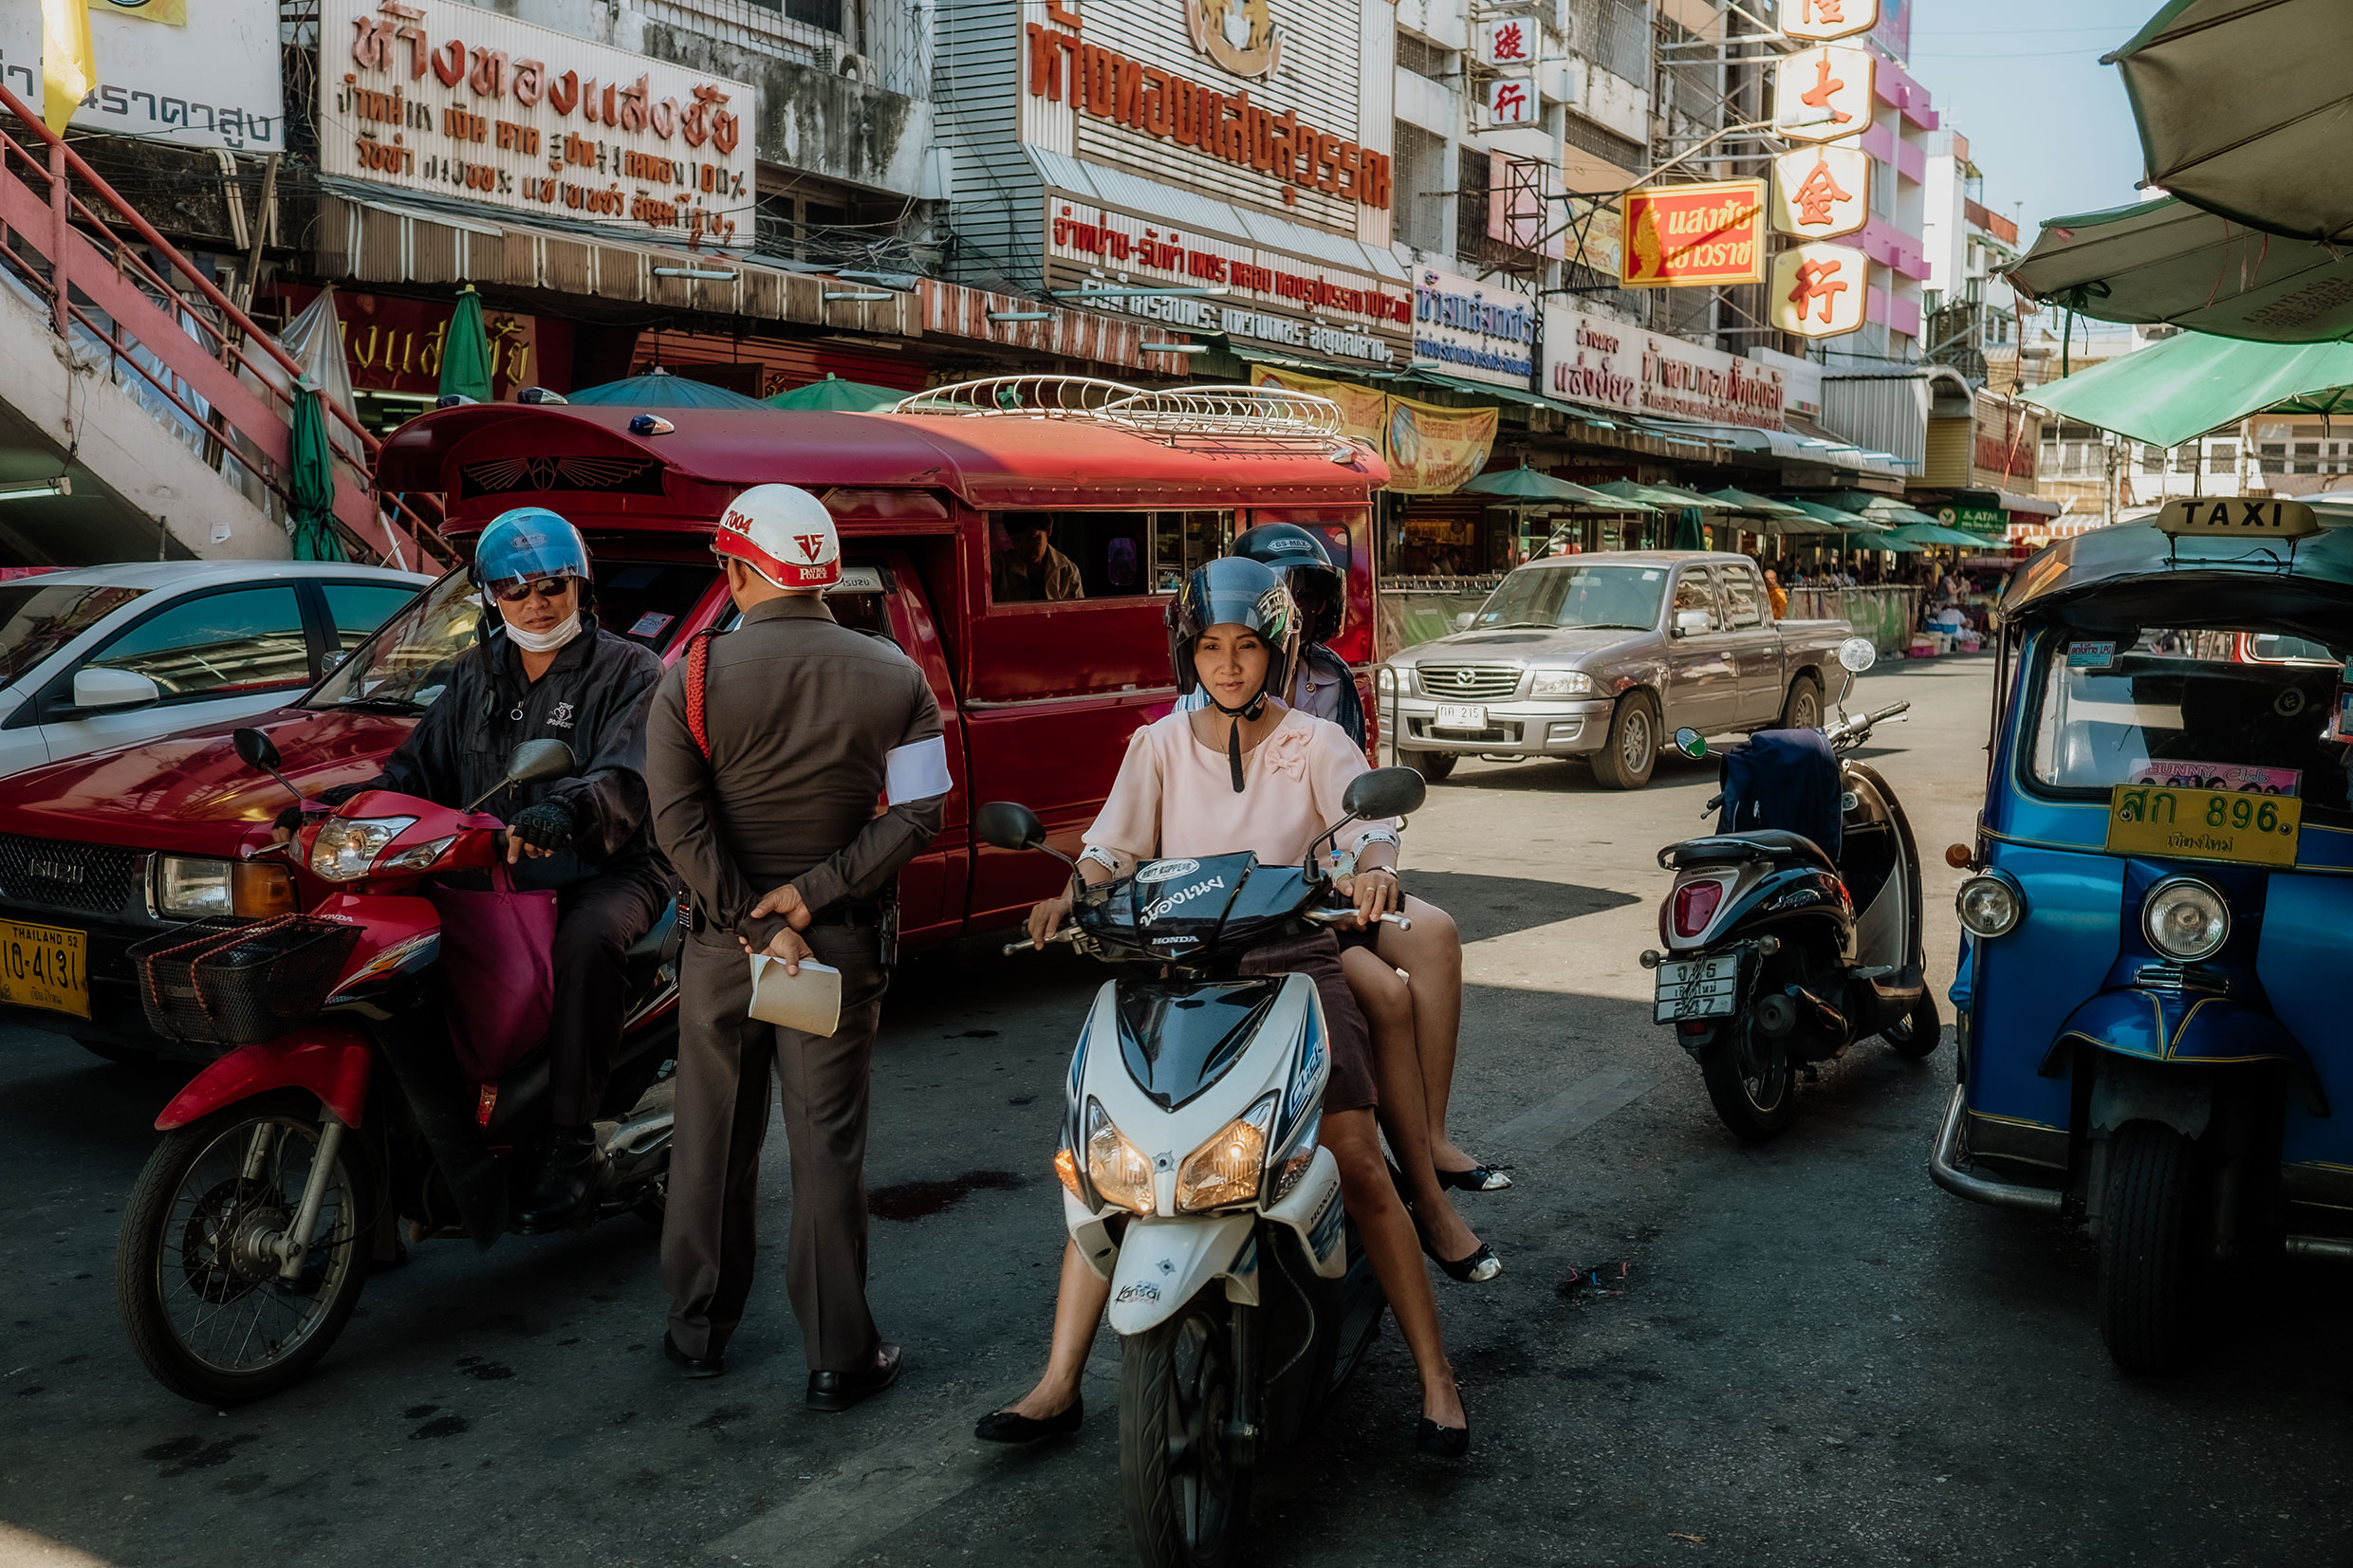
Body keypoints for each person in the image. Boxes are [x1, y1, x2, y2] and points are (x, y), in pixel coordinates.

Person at [974, 558, 1471, 1457]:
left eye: (1246, 647)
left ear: (1276, 651)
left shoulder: (1319, 744)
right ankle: (1057, 1383)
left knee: (1356, 1155)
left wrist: (1373, 871)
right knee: (1103, 1164)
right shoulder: (1157, 747)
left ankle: (1437, 1378)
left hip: (1294, 963)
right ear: (1187, 654)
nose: (1229, 665)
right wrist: (1072, 889)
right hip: (1174, 968)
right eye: (1211, 647)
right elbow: (1111, 848)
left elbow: (1371, 831)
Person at [644, 483, 950, 1409]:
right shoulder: (894, 674)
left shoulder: (690, 676)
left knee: (709, 1142)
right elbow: (922, 810)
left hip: (722, 951)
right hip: (832, 952)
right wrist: (811, 900)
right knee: (824, 1149)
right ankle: (836, 1356)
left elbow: (677, 827)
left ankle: (697, 1331)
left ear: (740, 571)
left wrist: (750, 920)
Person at [286, 507, 669, 1231]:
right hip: (489, 867)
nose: (537, 601)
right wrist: (339, 806)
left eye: (553, 584)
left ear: (580, 587)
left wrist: (567, 812)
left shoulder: (630, 669)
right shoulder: (474, 673)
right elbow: (415, 771)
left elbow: (628, 777)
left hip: (608, 866)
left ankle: (568, 1141)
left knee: (587, 943)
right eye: (517, 589)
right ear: (492, 595)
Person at [1197, 524, 1506, 1208]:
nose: (1296, 613)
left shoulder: (1331, 678)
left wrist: (1373, 864)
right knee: (1385, 994)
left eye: (1305, 596)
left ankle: (1432, 1135)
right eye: (1283, 596)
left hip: (1332, 876)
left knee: (1437, 934)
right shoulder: (1204, 696)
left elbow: (1360, 796)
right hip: (1260, 897)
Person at [991, 513, 1084, 602]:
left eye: (1033, 537)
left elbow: (1075, 614)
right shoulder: (997, 567)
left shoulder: (1067, 571)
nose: (1025, 547)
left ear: (1049, 529)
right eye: (1017, 540)